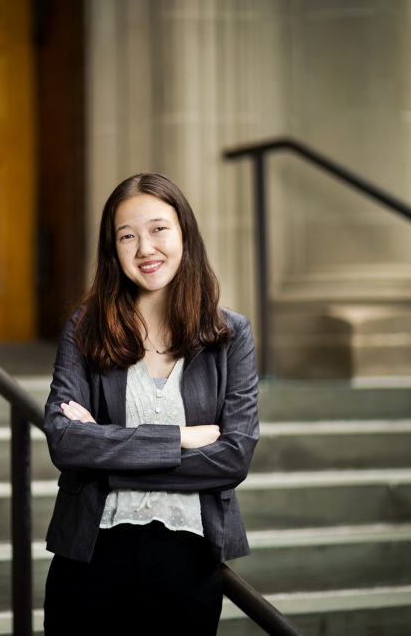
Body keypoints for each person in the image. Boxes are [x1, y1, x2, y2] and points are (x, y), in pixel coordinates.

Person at [42, 173, 260, 634]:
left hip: (188, 563)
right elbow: (64, 442)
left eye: (158, 229)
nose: (145, 248)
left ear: (184, 233)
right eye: (127, 236)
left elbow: (234, 457)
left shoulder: (230, 336)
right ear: (112, 249)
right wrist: (180, 439)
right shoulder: (85, 328)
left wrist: (105, 454)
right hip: (89, 558)